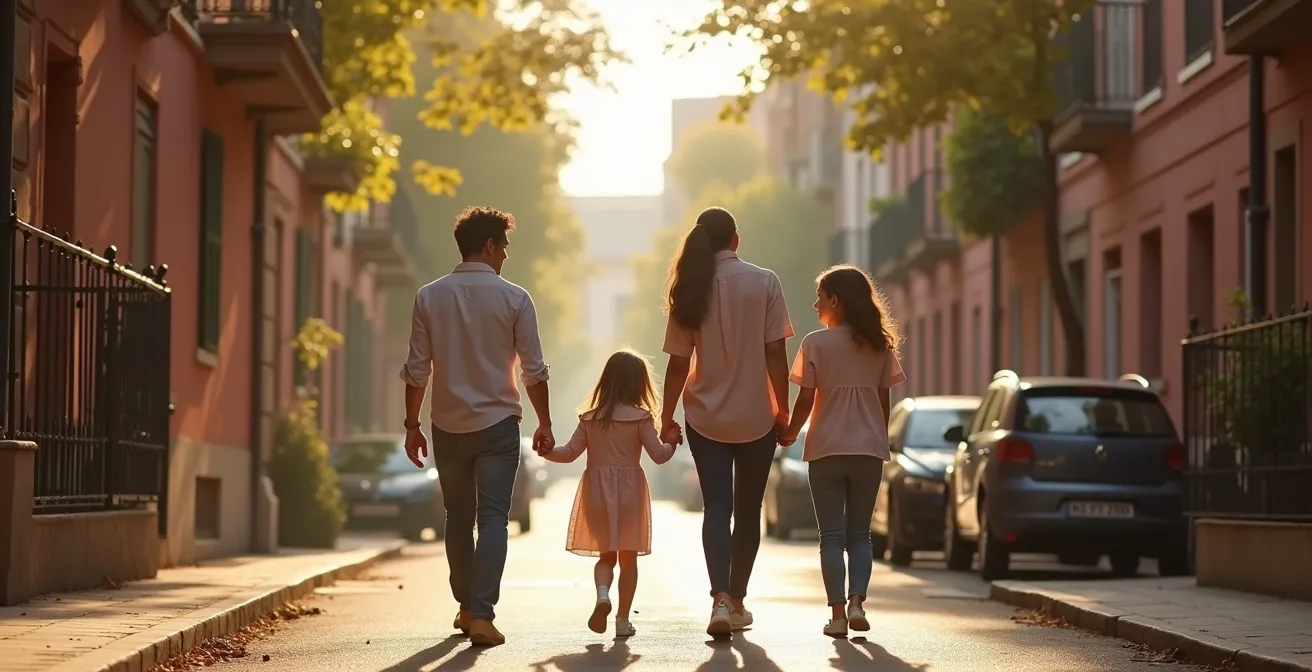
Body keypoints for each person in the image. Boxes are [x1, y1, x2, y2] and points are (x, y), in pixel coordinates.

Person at [399, 206, 554, 647]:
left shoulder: (429, 296)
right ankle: (483, 613)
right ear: (488, 246)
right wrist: (543, 422)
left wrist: (412, 425)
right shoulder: (516, 298)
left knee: (457, 516)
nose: (506, 255)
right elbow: (534, 370)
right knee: (492, 519)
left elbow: (416, 370)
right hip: (499, 424)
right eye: (503, 246)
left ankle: (466, 607)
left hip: (448, 425)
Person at [659, 206, 793, 639]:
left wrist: (666, 417)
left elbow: (679, 364)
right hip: (757, 415)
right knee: (749, 510)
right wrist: (783, 409)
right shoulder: (765, 281)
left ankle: (717, 598)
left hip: (705, 417)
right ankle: (737, 601)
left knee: (717, 507)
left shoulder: (690, 288)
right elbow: (776, 353)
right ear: (735, 240)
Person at [778, 265, 906, 638]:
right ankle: (857, 603)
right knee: (860, 535)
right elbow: (884, 400)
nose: (815, 303)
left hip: (827, 449)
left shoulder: (815, 344)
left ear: (835, 300)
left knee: (830, 537)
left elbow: (805, 399)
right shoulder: (880, 345)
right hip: (867, 450)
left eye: (820, 296)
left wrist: (788, 433)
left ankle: (836, 616)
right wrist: (877, 437)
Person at [535, 349, 682, 638]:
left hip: (596, 493)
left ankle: (602, 595)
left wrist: (546, 451)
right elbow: (659, 456)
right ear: (640, 384)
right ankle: (623, 620)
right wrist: (672, 440)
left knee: (606, 556)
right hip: (630, 492)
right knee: (629, 560)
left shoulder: (590, 418)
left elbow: (568, 454)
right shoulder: (641, 418)